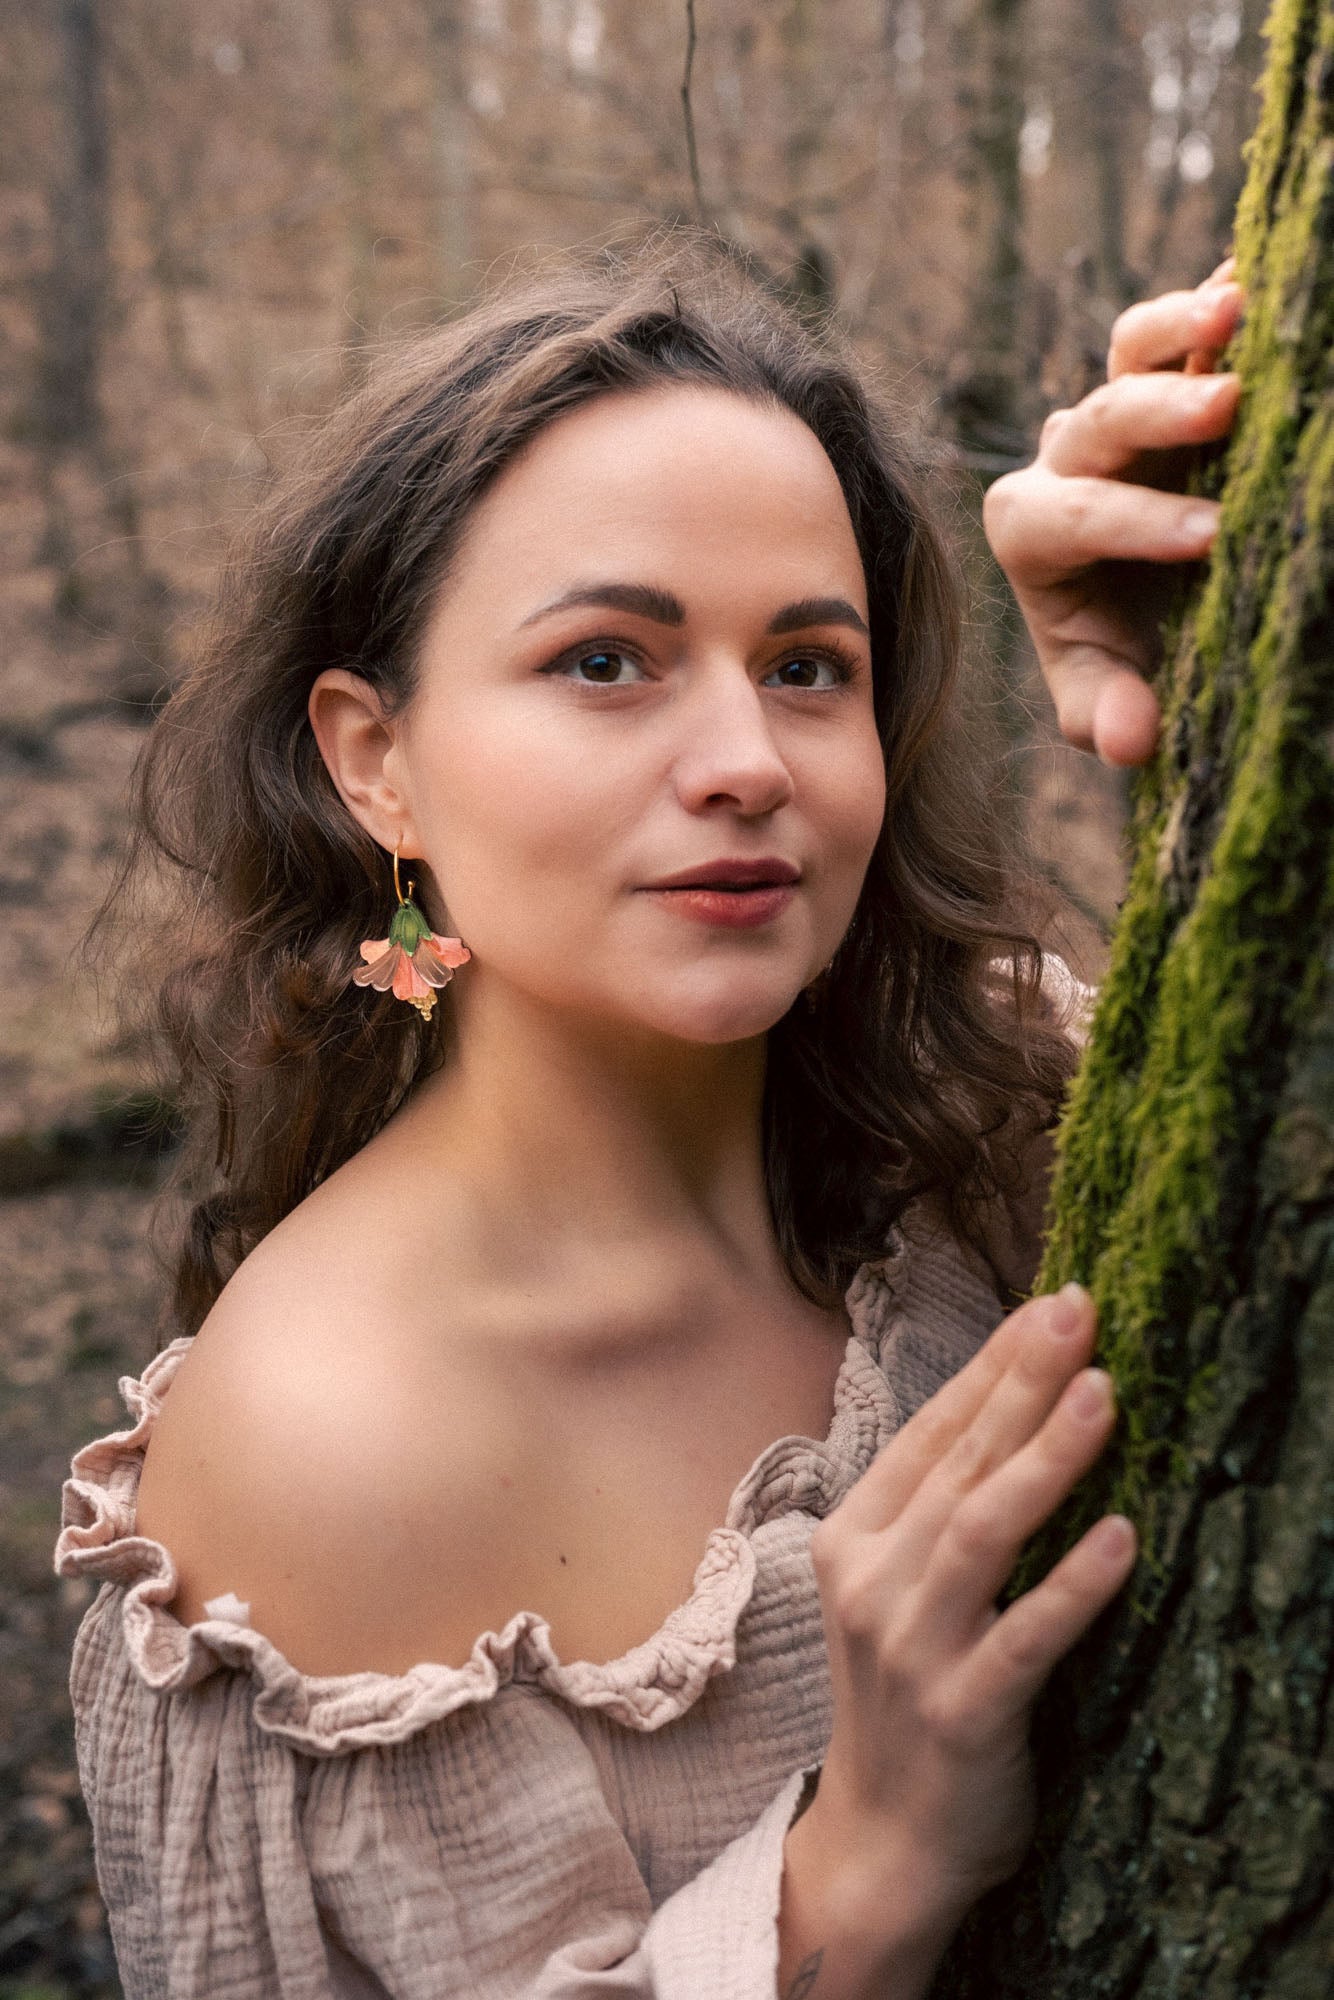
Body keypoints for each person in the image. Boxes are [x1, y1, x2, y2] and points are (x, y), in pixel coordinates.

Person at [55, 225, 1243, 2000]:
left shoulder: (999, 1112)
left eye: (807, 665)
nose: (748, 761)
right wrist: (852, 1883)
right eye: (607, 661)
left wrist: (1212, 710)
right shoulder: (324, 1450)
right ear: (374, 759)